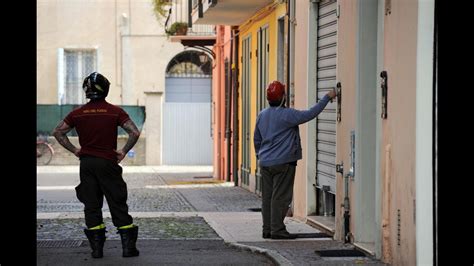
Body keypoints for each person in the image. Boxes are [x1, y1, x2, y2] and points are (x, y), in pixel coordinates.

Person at [52, 72, 141, 258]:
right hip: (108, 163)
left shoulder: (77, 113)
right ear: (105, 89)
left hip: (86, 164)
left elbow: (58, 132)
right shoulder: (115, 111)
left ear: (86, 91)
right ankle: (128, 248)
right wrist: (123, 151)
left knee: (91, 205)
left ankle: (97, 250)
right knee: (117, 202)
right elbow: (134, 132)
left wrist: (75, 150)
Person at [254, 80, 336, 239]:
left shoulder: (262, 115)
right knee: (280, 197)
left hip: (265, 163)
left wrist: (260, 155)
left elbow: (257, 140)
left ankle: (267, 229)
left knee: (267, 197)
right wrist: (327, 97)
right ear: (283, 97)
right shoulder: (287, 115)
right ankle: (277, 230)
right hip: (284, 163)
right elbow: (310, 113)